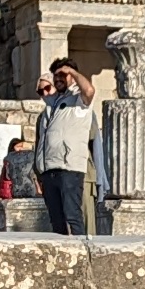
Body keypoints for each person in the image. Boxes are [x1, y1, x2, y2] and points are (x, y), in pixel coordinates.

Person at [33, 60, 94, 235]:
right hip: (49, 169)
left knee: (72, 214)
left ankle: (81, 254)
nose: (58, 78)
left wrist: (72, 72)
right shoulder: (51, 105)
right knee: (56, 219)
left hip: (69, 167)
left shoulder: (79, 101)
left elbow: (89, 91)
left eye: (62, 74)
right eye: (56, 75)